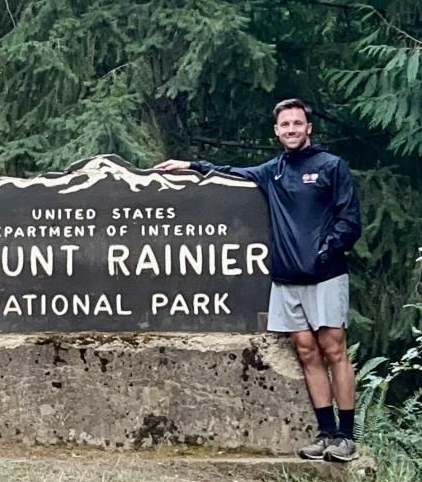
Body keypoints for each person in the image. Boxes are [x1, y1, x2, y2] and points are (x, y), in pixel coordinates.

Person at [153, 98, 363, 462]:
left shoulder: (331, 167)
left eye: (298, 123)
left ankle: (346, 436)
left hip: (325, 275)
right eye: (285, 125)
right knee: (306, 353)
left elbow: (350, 222)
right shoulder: (273, 171)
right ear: (277, 131)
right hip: (285, 278)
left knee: (333, 349)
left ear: (308, 128)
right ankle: (326, 434)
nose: (292, 130)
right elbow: (231, 172)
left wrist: (322, 253)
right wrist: (190, 166)